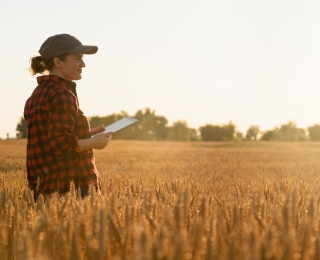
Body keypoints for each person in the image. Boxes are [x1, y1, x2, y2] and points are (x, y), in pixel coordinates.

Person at [24, 34, 112, 200]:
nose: (83, 64)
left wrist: (86, 134)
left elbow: (48, 140)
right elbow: (61, 145)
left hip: (45, 187)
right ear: (57, 62)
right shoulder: (62, 94)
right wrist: (93, 142)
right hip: (72, 186)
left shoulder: (36, 95)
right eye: (77, 58)